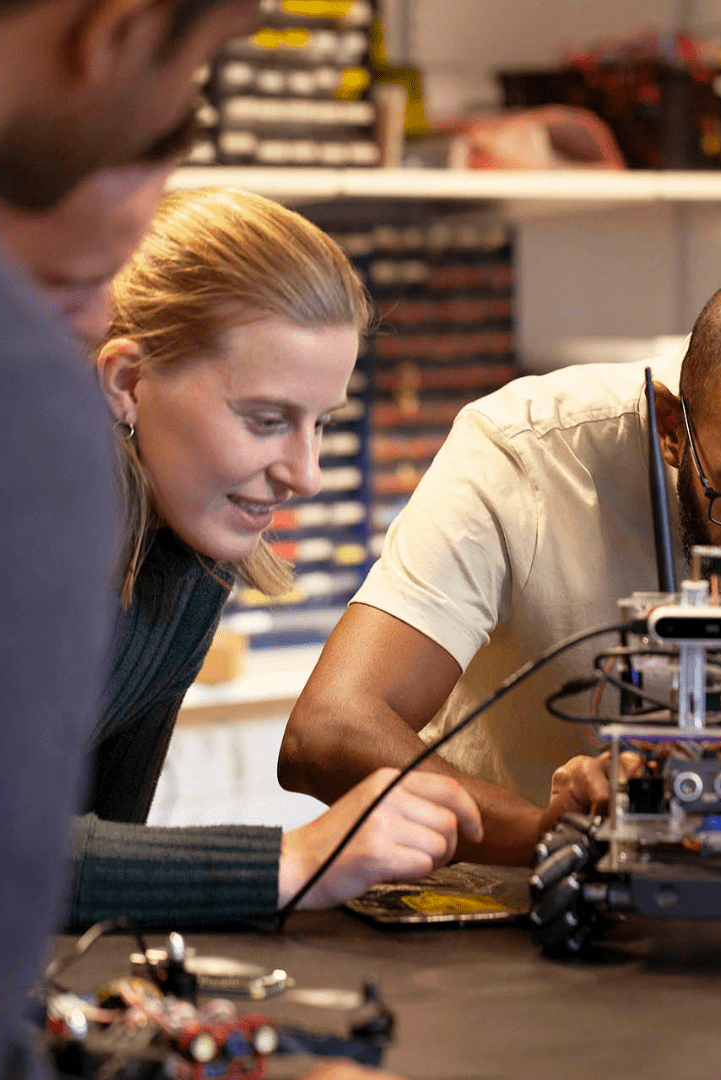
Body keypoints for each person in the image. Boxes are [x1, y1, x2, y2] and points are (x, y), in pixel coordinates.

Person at [278, 269, 721, 865]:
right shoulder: (523, 453)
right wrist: (548, 830)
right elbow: (327, 731)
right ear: (669, 428)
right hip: (503, 892)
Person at [45, 185, 477, 930]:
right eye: (268, 420)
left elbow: (89, 878)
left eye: (321, 423)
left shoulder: (190, 558)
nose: (305, 473)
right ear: (127, 383)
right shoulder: (25, 542)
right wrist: (296, 860)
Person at [0, 0, 270, 1072]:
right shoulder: (24, 408)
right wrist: (281, 862)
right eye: (200, 59)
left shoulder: (191, 570)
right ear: (115, 31)